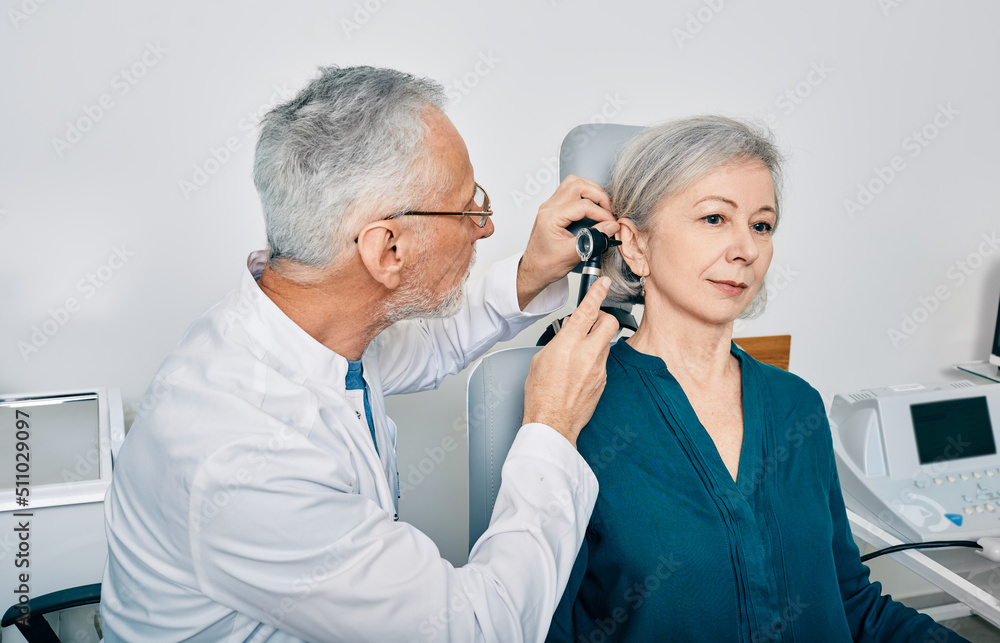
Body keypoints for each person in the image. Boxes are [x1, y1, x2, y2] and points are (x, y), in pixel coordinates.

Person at [100, 65, 622, 642]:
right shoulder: (243, 455)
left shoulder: (299, 326)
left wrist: (530, 273)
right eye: (467, 208)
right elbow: (477, 630)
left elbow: (430, 342)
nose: (486, 227)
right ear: (387, 248)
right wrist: (550, 425)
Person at [547, 116, 969, 642]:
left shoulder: (797, 406)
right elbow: (545, 627)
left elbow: (851, 603)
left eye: (761, 225)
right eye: (715, 219)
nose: (745, 248)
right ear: (635, 245)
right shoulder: (576, 410)